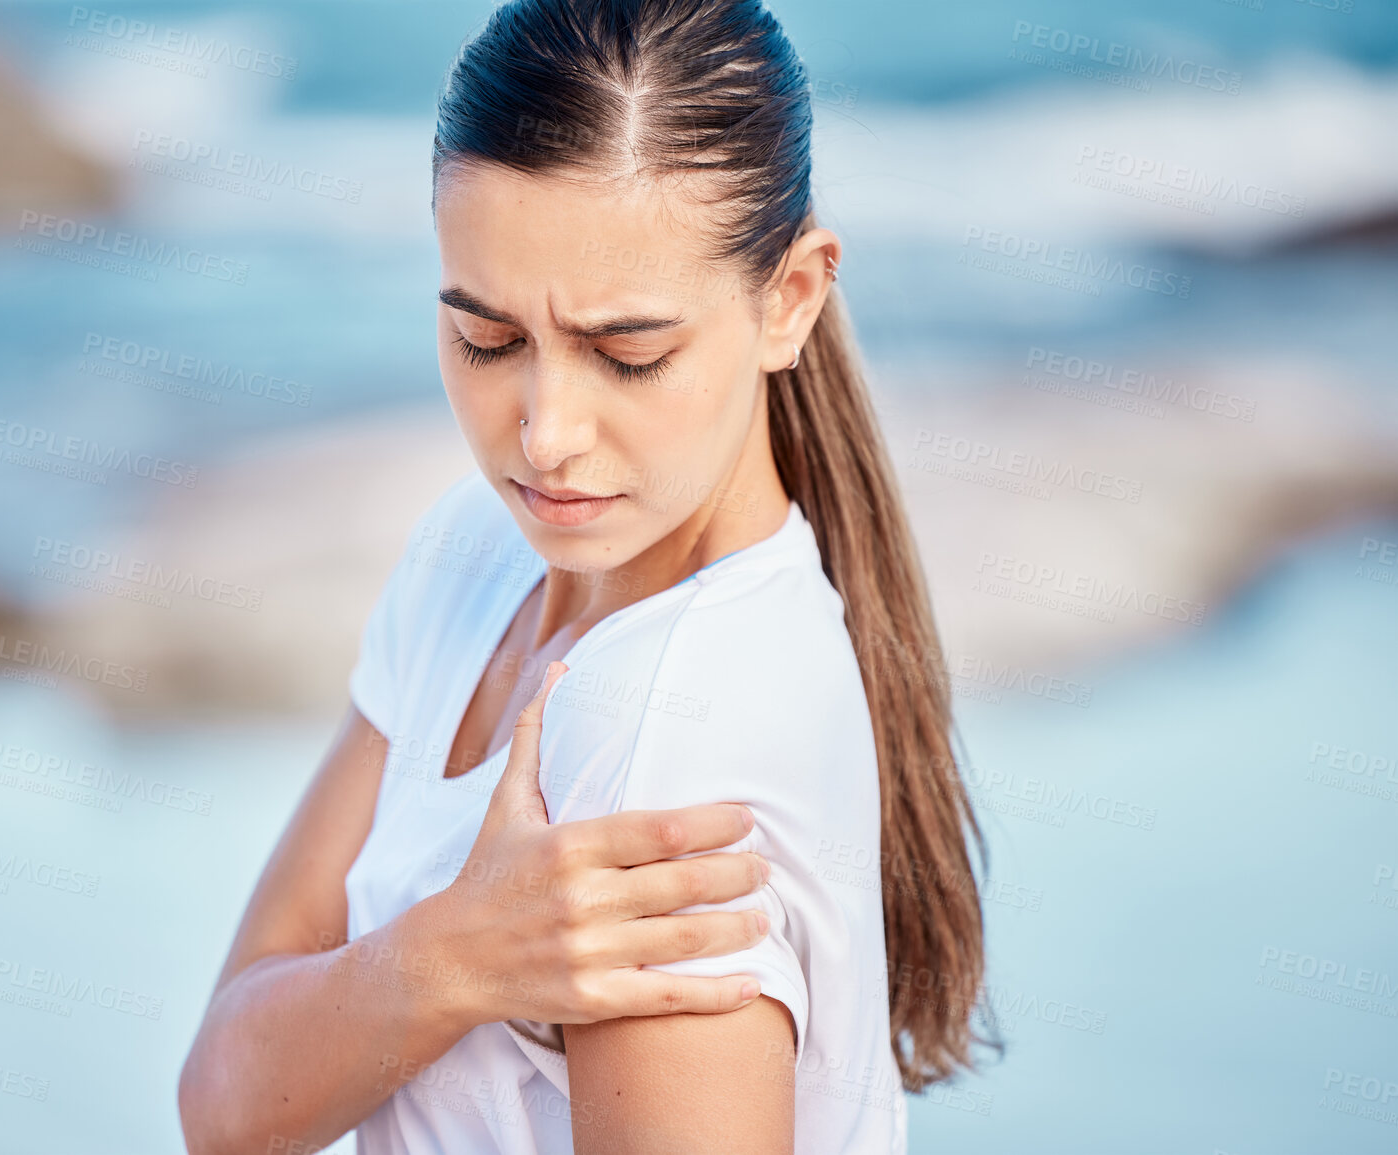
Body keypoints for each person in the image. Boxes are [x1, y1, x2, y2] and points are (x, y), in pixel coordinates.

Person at [179, 2, 986, 1151]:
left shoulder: (676, 742)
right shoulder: (472, 555)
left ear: (790, 300)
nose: (545, 435)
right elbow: (223, 1101)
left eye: (628, 355)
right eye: (488, 339)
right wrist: (453, 956)